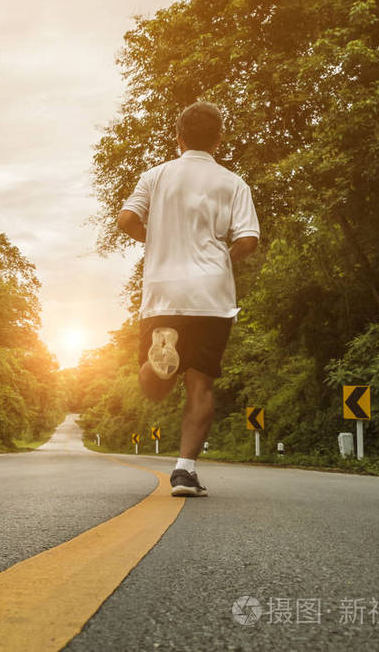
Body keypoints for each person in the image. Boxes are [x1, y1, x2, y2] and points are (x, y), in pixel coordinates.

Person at [118, 102, 259, 497]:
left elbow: (126, 220)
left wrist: (156, 241)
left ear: (177, 137)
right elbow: (247, 240)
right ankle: (184, 471)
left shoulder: (155, 176)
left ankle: (158, 361)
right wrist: (220, 259)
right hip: (211, 295)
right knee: (201, 384)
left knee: (155, 388)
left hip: (164, 293)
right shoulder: (233, 182)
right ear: (218, 139)